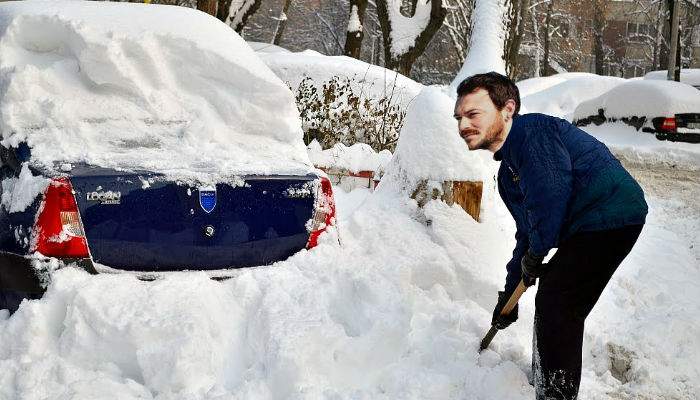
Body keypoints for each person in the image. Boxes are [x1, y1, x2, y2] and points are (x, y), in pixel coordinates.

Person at [453, 72, 647, 400]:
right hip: (589, 225)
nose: (466, 125)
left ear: (507, 110)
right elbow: (527, 233)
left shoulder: (533, 133)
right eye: (461, 117)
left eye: (475, 114)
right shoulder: (508, 176)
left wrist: (537, 253)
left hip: (611, 213)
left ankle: (555, 394)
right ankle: (544, 383)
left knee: (559, 301)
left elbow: (552, 193)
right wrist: (510, 292)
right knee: (554, 299)